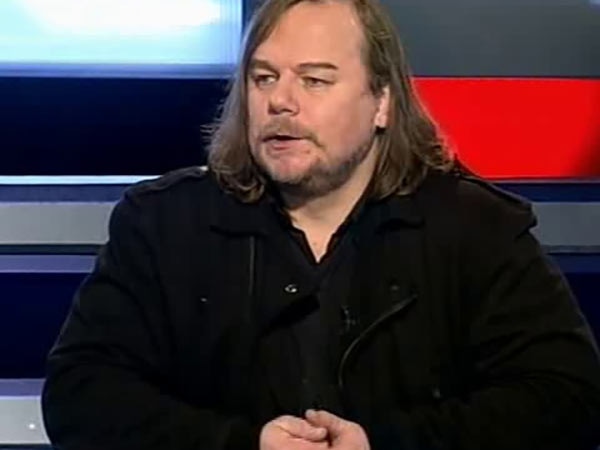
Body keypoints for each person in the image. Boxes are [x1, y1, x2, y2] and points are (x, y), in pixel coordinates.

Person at [42, 0, 600, 449]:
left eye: (314, 81)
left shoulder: (476, 229)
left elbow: (566, 395)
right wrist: (239, 444)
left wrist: (385, 444)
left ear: (382, 102)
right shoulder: (164, 224)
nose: (280, 101)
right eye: (263, 78)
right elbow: (81, 394)